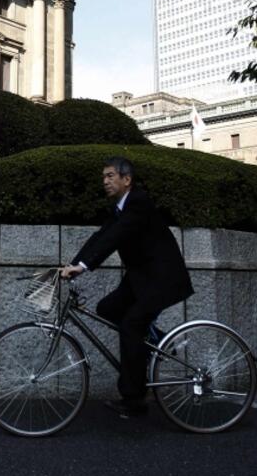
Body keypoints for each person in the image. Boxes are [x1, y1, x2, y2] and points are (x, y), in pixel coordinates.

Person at [60, 156, 193, 417]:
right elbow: (101, 236)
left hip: (161, 279)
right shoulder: (120, 208)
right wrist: (74, 264)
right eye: (103, 177)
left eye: (110, 176)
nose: (105, 181)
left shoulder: (138, 203)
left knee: (132, 324)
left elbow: (115, 237)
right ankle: (156, 339)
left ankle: (134, 401)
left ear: (126, 179)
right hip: (140, 278)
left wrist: (84, 266)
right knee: (107, 308)